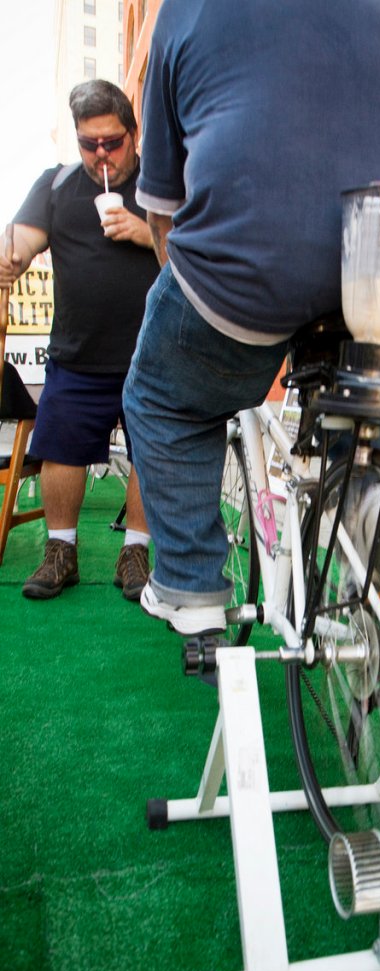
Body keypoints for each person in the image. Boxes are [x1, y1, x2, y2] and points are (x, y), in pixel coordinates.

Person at [122, 0, 380, 637]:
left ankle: (191, 585)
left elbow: (163, 206)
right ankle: (369, 505)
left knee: (162, 395)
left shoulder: (183, 9)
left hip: (258, 251)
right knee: (366, 393)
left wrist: (197, 300)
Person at [0, 80, 160, 602]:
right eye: (88, 143)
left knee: (150, 454)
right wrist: (10, 255)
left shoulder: (162, 186)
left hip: (152, 354)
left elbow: (197, 255)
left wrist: (144, 231)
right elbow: (19, 243)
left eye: (111, 142)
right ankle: (60, 553)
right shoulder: (56, 185)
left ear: (133, 134)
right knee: (61, 450)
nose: (100, 154)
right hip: (77, 352)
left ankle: (135, 552)